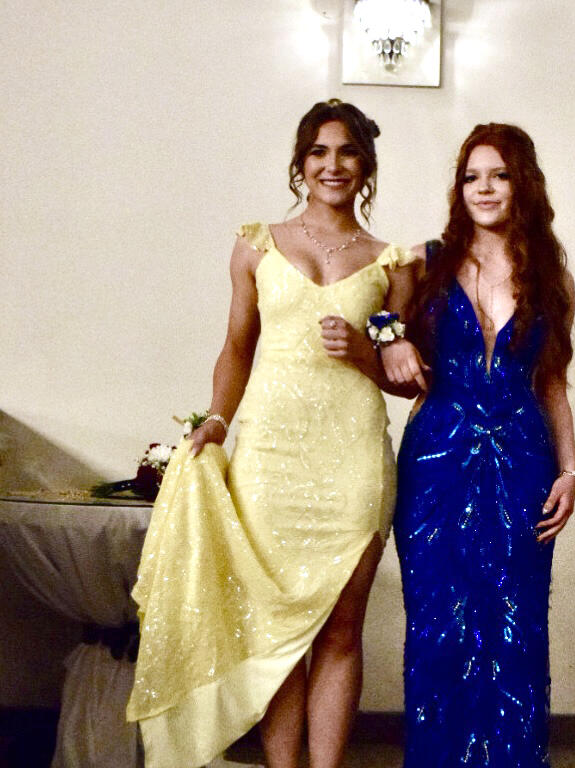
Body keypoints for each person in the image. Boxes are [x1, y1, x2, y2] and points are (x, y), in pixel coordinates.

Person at [126, 99, 415, 768]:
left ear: (366, 165)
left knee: (340, 628)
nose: (333, 165)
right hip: (269, 453)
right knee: (276, 633)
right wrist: (216, 420)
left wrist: (365, 354)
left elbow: (406, 379)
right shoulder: (257, 245)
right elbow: (236, 346)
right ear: (300, 163)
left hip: (353, 454)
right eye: (319, 152)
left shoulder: (392, 263)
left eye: (347, 152)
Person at [382, 123, 575, 766]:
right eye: (471, 176)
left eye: (498, 175)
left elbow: (552, 384)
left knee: (516, 627)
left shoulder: (549, 274)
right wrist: (392, 339)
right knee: (437, 626)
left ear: (523, 184)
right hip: (435, 464)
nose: (484, 188)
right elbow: (377, 322)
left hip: (524, 462)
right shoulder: (423, 261)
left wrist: (570, 471)